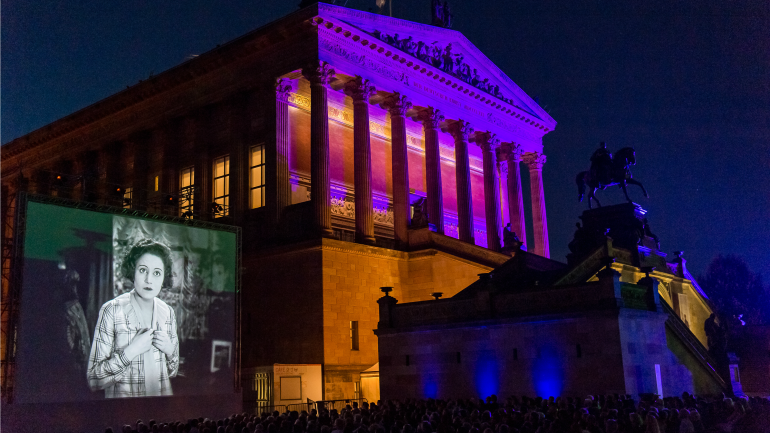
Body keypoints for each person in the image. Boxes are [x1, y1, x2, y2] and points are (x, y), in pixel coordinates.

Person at [87, 239, 179, 398]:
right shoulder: (112, 310)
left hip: (160, 412)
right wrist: (131, 351)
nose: (149, 280)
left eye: (157, 273)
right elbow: (94, 380)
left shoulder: (168, 312)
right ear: (132, 271)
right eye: (143, 270)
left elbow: (173, 370)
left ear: (164, 277)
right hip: (124, 414)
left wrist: (170, 351)